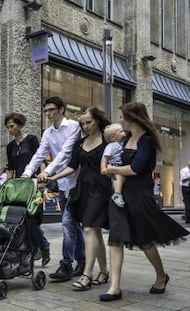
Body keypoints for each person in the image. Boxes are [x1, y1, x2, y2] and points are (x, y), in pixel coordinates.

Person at [100, 102, 189, 301]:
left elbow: (135, 169)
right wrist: (117, 191)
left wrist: (112, 169)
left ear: (132, 118)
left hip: (140, 196)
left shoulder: (147, 141)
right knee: (116, 238)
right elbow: (125, 166)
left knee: (145, 241)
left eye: (122, 116)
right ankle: (114, 287)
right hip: (121, 194)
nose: (120, 120)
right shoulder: (127, 139)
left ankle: (161, 275)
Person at [22, 96, 86, 281]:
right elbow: (39, 154)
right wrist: (27, 174)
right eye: (46, 110)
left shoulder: (74, 127)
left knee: (67, 224)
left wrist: (47, 172)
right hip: (63, 183)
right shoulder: (48, 133)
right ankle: (81, 261)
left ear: (61, 110)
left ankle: (66, 264)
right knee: (74, 224)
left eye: (51, 110)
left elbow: (65, 153)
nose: (48, 113)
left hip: (77, 182)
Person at [48, 106, 112, 291]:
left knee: (90, 228)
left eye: (88, 122)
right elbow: (72, 167)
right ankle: (104, 271)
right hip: (82, 190)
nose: (85, 126)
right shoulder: (79, 143)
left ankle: (87, 274)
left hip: (101, 190)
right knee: (95, 231)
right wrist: (53, 177)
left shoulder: (108, 142)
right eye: (82, 123)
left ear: (98, 121)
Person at [4, 112, 50, 266]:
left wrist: (42, 178)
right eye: (8, 127)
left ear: (20, 125)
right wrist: (7, 187)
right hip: (19, 186)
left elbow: (41, 159)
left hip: (34, 183)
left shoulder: (31, 140)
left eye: (12, 126)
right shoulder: (10, 146)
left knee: (32, 219)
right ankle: (28, 252)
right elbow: (10, 169)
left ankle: (43, 247)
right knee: (20, 219)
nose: (10, 129)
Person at [101, 123, 127, 207]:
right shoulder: (111, 146)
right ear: (113, 137)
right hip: (115, 166)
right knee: (119, 178)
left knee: (121, 178)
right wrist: (103, 168)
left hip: (121, 166)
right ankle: (117, 194)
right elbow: (105, 157)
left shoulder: (122, 144)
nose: (124, 133)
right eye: (121, 132)